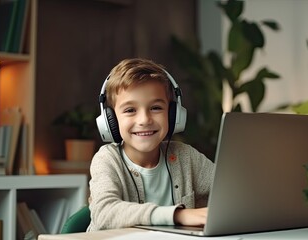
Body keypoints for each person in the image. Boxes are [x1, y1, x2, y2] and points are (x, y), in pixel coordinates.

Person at [87, 58, 215, 231]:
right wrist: (177, 215)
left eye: (155, 108)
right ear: (111, 121)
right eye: (130, 110)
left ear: (173, 114)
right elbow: (104, 213)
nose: (144, 120)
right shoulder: (107, 159)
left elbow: (231, 189)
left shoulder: (185, 156)